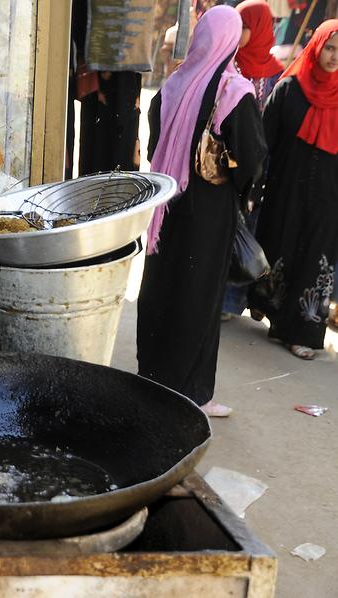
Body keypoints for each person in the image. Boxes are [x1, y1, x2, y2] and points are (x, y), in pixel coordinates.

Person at [137, 6, 267, 418]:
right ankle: (192, 393)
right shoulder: (234, 92)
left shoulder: (173, 85)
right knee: (198, 297)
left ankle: (152, 376)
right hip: (209, 214)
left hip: (166, 207)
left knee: (163, 287)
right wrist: (244, 193)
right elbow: (251, 157)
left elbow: (158, 139)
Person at [248, 20, 338, 360]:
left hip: (329, 199)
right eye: (329, 47)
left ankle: (303, 332)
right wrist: (253, 189)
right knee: (280, 249)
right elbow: (262, 143)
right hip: (286, 191)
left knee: (316, 261)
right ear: (315, 47)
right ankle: (271, 312)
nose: (333, 57)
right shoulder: (289, 90)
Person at [221, 0, 285, 319]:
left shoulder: (276, 76)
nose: (241, 32)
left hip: (262, 166)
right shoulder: (228, 64)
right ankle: (223, 300)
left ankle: (235, 301)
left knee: (250, 230)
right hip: (231, 161)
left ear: (260, 29)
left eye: (247, 26)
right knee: (229, 228)